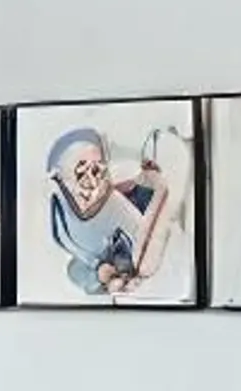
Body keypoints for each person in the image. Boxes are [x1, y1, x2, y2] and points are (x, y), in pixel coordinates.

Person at [45, 123, 182, 299]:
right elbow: (63, 238)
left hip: (122, 251)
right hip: (95, 259)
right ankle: (111, 279)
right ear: (61, 178)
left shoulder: (116, 203)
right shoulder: (60, 204)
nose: (93, 180)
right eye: (81, 172)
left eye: (97, 169)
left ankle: (121, 278)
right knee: (74, 271)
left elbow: (137, 233)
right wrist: (96, 265)